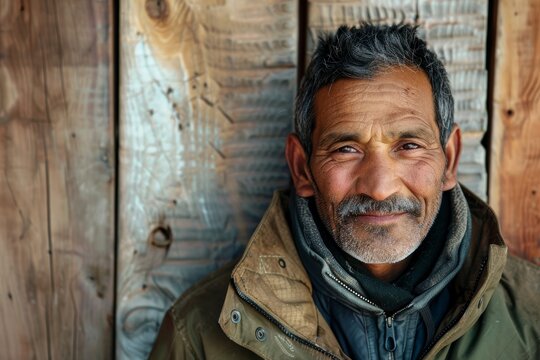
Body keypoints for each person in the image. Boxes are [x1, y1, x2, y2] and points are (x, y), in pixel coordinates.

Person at [149, 24, 539, 360]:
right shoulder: (201, 335)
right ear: (302, 168)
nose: (380, 187)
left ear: (450, 160)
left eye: (408, 146)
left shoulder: (532, 317)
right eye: (346, 149)